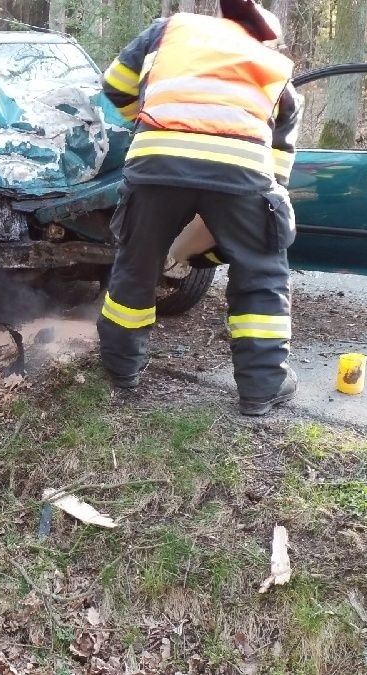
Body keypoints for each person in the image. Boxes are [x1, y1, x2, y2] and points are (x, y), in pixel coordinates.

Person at [96, 0, 303, 416]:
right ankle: (262, 389)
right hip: (241, 172)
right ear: (263, 33)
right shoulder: (270, 62)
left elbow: (115, 85)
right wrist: (271, 197)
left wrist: (153, 119)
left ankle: (122, 370)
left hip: (157, 162)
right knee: (262, 275)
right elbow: (282, 142)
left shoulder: (169, 31)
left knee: (136, 267)